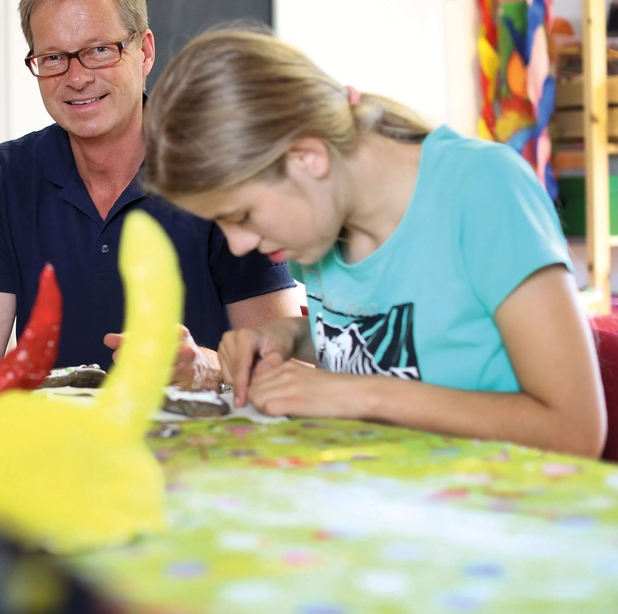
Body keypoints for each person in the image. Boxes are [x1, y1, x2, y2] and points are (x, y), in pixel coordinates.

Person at [140, 27, 606, 457]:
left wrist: (360, 396)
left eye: (241, 216)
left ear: (306, 157)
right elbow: (406, 333)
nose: (239, 246)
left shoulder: (483, 190)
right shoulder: (323, 225)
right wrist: (290, 336)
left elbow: (575, 431)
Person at [0, 0, 301, 389]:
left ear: (145, 52)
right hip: (54, 446)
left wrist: (207, 365)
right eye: (53, 57)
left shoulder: (220, 171)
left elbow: (288, 369)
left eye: (100, 50)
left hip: (197, 444)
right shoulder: (4, 176)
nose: (76, 78)